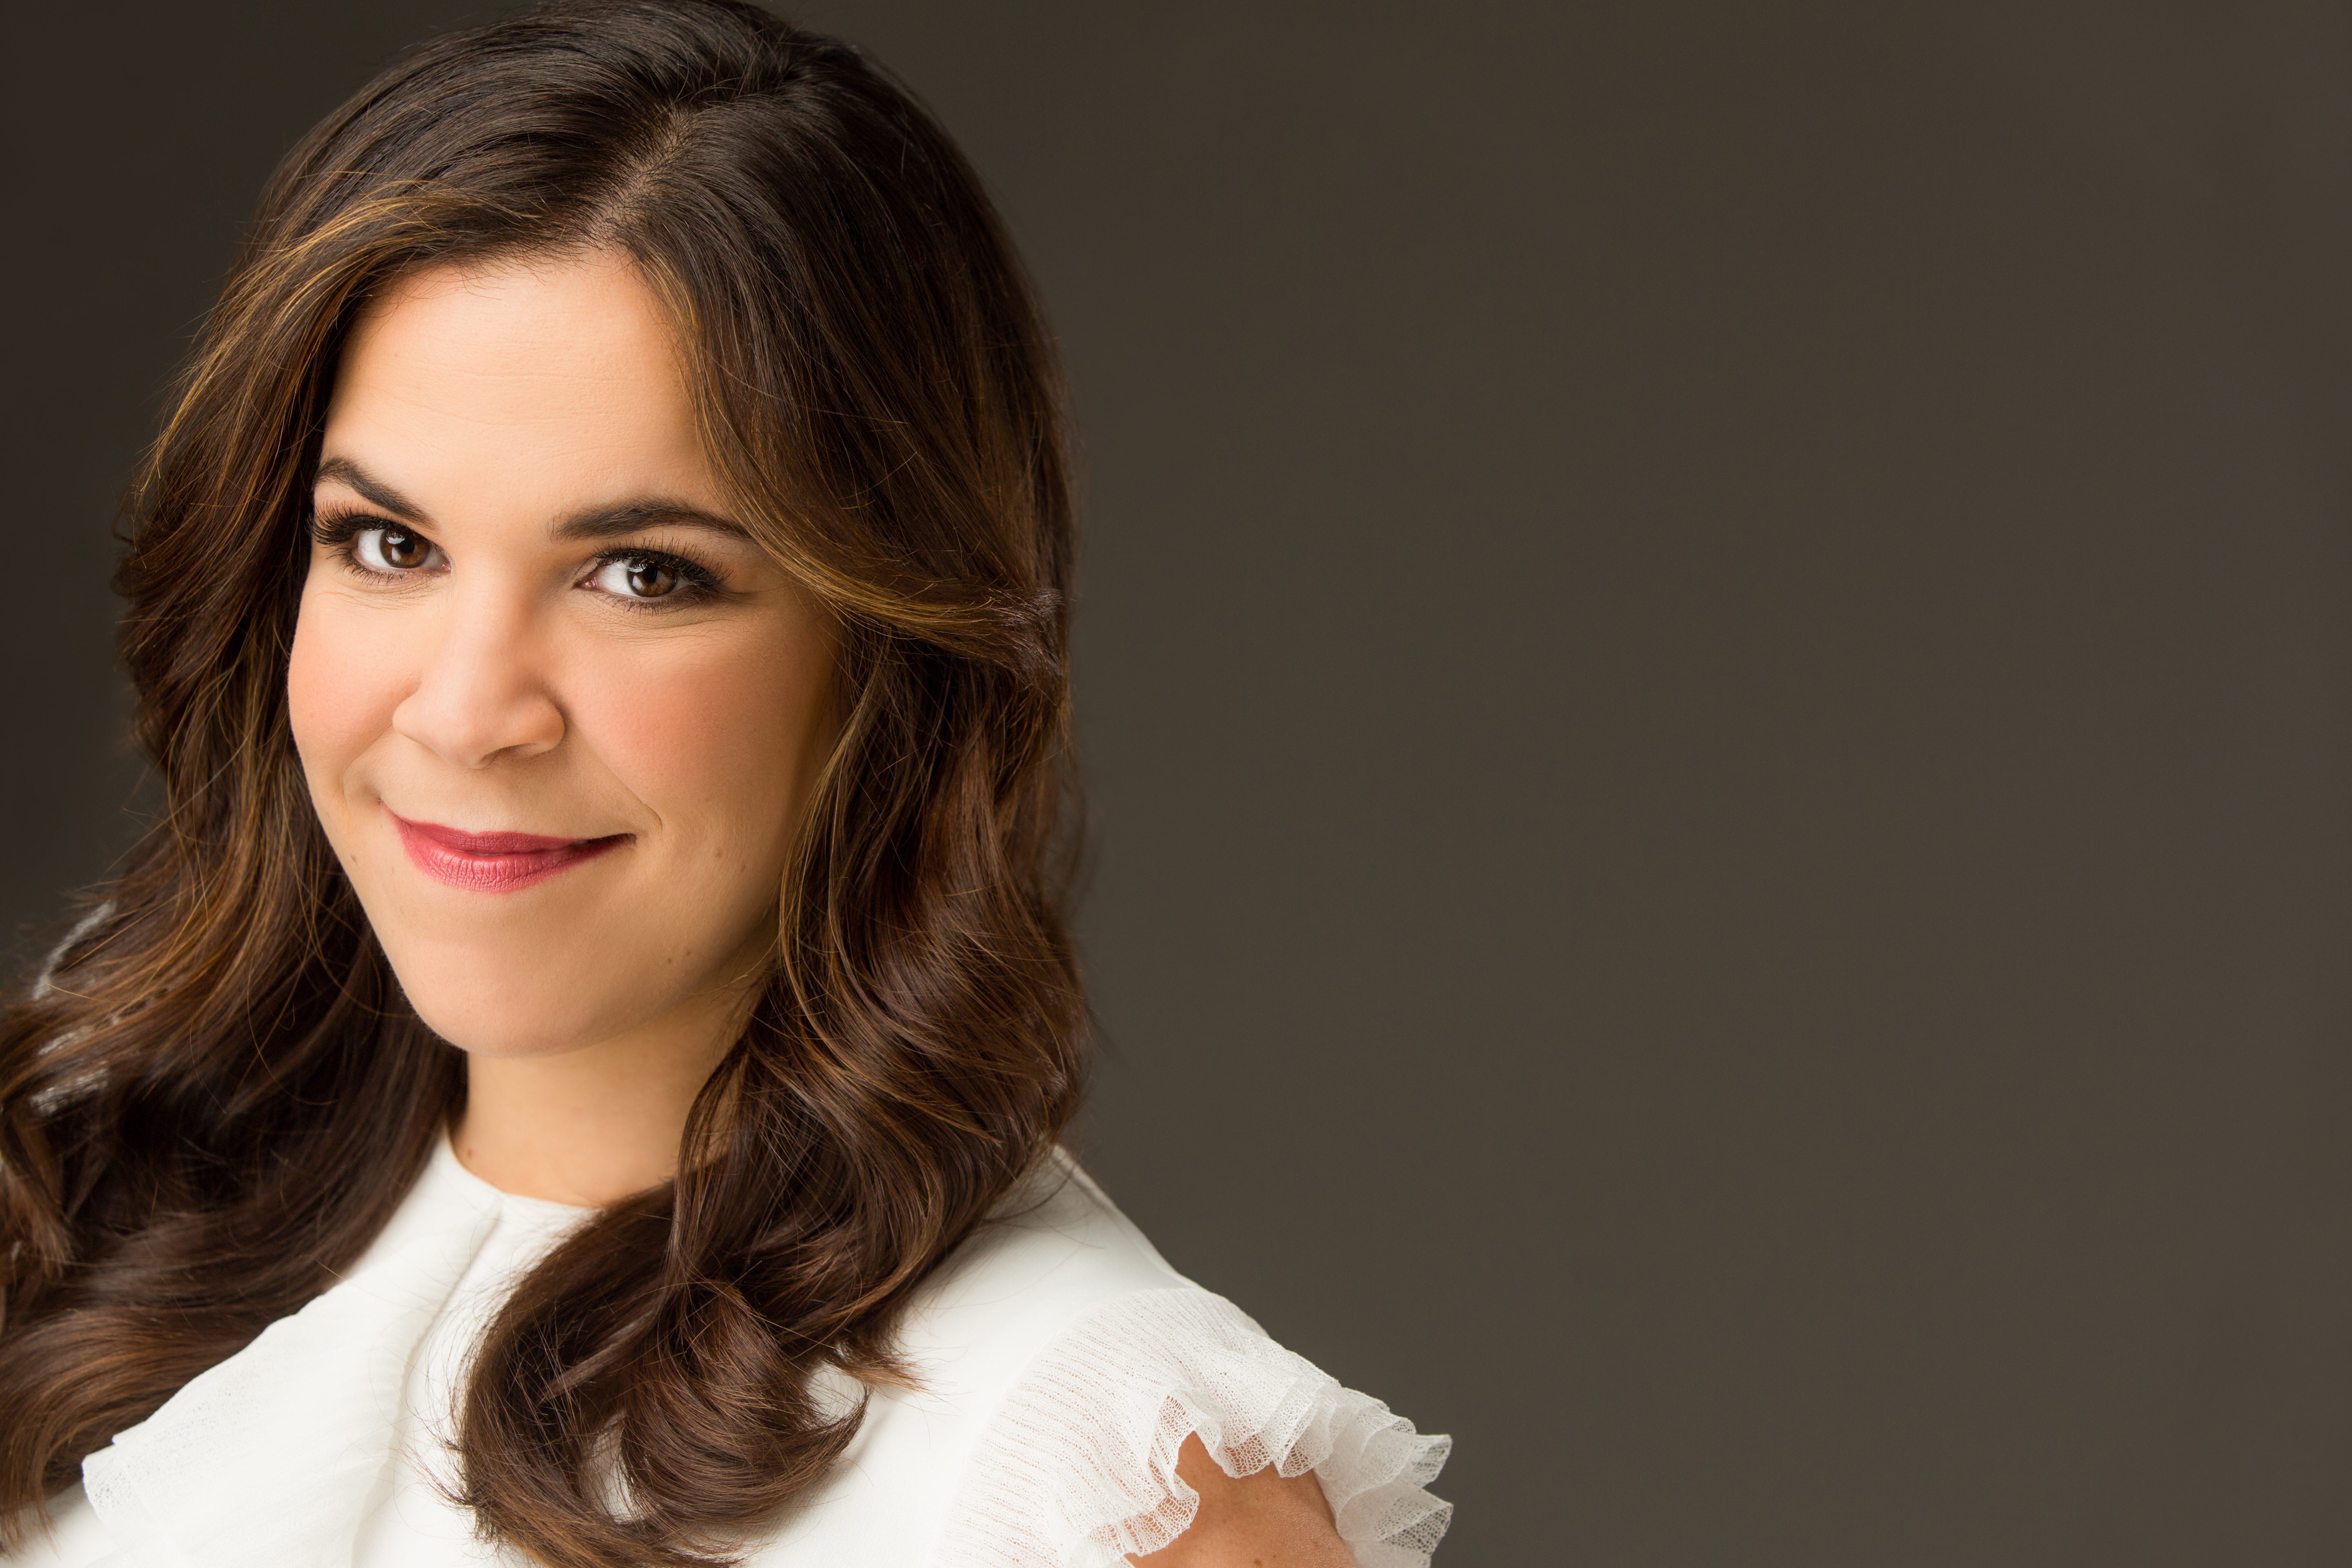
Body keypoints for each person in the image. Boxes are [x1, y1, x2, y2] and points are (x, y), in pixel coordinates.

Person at [0, 3, 1451, 1565]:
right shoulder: (82, 1179)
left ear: (892, 653)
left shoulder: (1104, 1484)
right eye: (388, 543)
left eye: (644, 572)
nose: (468, 713)